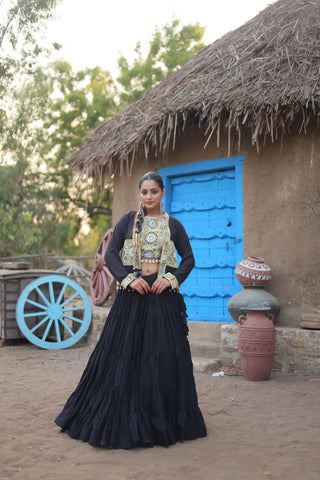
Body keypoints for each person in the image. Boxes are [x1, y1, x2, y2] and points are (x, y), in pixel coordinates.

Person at [55, 171, 207, 448]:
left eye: (154, 192)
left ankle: (161, 419)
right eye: (144, 192)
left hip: (162, 296)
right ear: (140, 194)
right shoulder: (128, 221)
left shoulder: (174, 225)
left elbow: (189, 258)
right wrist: (127, 278)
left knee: (162, 355)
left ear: (163, 193)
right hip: (132, 295)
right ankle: (122, 413)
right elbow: (111, 253)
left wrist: (170, 279)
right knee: (123, 354)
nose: (148, 197)